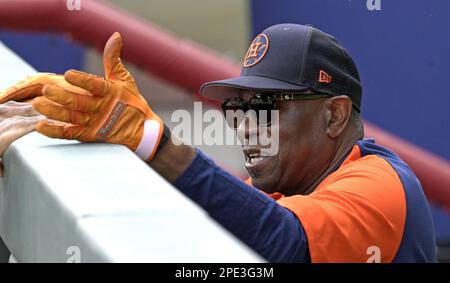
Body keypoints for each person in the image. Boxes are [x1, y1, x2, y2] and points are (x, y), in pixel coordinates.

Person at [9, 24, 434, 262]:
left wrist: (153, 142)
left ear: (334, 115)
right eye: (238, 109)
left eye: (265, 105)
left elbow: (285, 244)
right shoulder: (285, 185)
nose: (246, 126)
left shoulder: (379, 183)